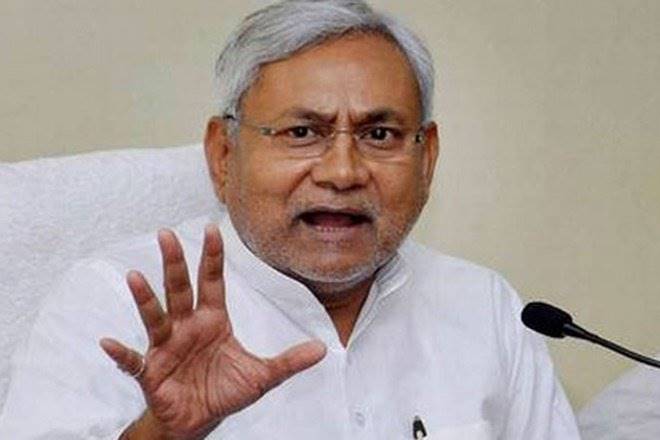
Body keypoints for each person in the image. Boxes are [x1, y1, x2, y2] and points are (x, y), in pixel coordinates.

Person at [0, 0, 581, 438]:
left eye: (380, 134)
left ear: (426, 157)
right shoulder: (115, 300)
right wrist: (160, 435)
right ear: (223, 154)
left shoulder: (486, 308)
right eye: (303, 132)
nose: (343, 172)